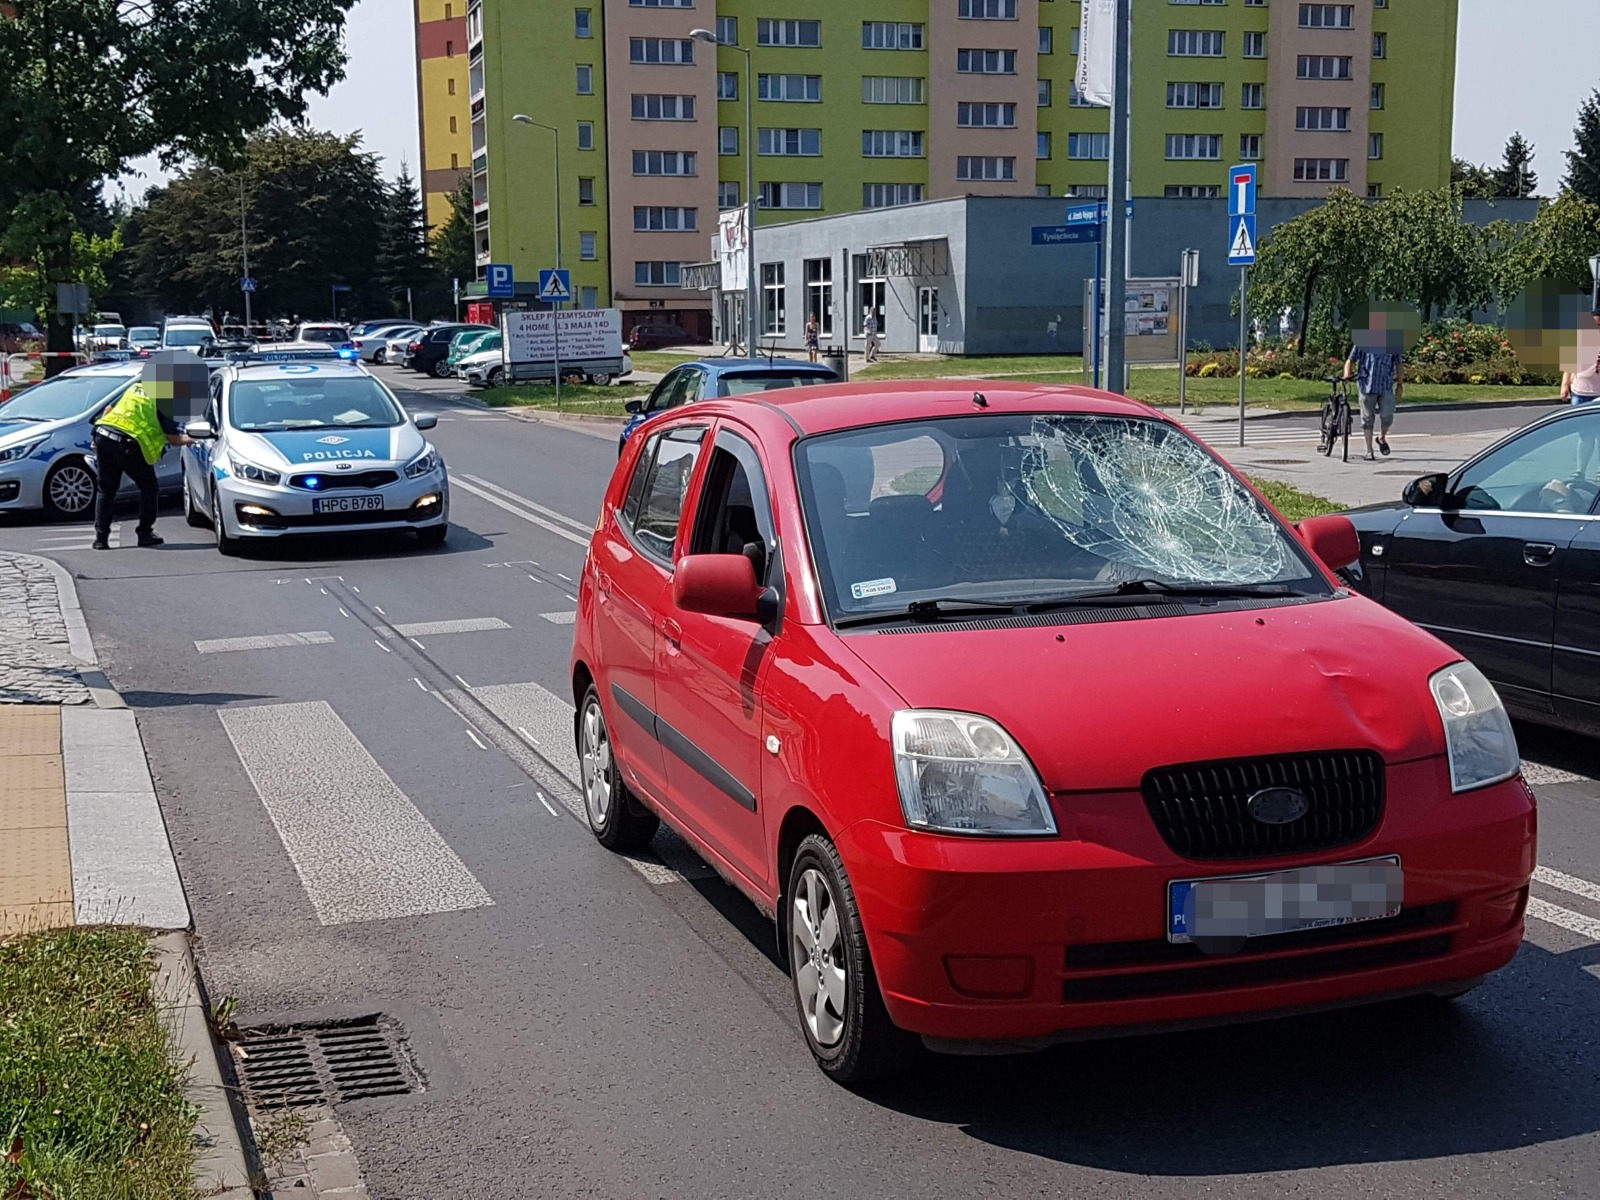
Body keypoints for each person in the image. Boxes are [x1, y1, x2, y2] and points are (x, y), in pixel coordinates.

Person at [91, 352, 200, 549]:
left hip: (103, 434)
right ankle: (144, 533)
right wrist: (194, 439)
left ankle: (101, 539)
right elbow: (174, 440)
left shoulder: (136, 388)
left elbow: (108, 409)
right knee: (149, 488)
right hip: (127, 445)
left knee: (106, 490)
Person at [1342, 310, 1405, 462]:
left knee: (1387, 417)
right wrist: (1347, 374)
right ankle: (1369, 450)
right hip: (1366, 385)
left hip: (1385, 386)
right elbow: (1351, 360)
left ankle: (1382, 438)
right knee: (1367, 419)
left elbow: (1399, 364)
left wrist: (1400, 384)